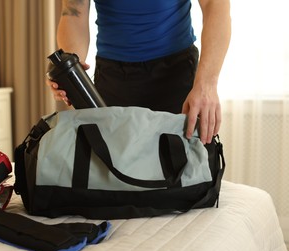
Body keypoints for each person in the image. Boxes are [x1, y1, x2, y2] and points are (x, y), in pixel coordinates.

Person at [48, 0, 231, 144]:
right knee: (112, 170)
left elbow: (215, 4)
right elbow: (74, 12)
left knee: (180, 171)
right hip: (113, 77)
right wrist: (70, 70)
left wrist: (207, 84)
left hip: (176, 72)